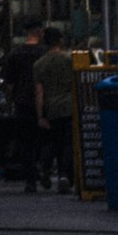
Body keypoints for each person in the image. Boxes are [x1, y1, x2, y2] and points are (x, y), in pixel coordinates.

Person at [32, 25, 78, 192]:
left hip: (51, 109)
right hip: (69, 107)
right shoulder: (69, 60)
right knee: (68, 143)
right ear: (60, 40)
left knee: (52, 142)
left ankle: (45, 169)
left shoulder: (39, 64)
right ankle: (65, 175)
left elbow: (39, 92)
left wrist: (40, 116)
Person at [0, 21, 46, 188]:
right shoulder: (44, 53)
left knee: (26, 141)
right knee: (44, 139)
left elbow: (9, 82)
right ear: (39, 32)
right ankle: (44, 171)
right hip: (44, 103)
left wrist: (10, 101)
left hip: (22, 102)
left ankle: (31, 179)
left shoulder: (15, 54)